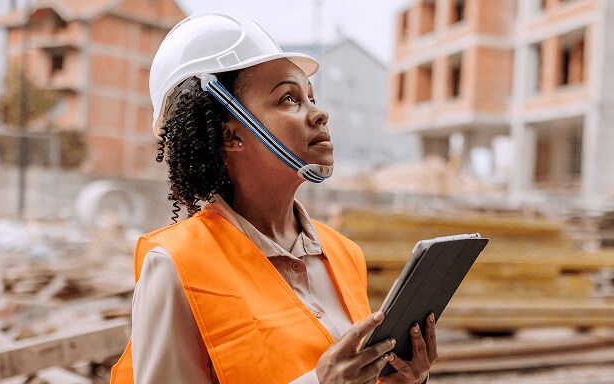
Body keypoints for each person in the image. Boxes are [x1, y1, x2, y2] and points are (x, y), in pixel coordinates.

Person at [109, 13, 437, 384]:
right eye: (288, 99)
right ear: (231, 136)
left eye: (311, 97)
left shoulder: (343, 254)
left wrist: (405, 380)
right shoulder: (175, 267)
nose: (320, 113)